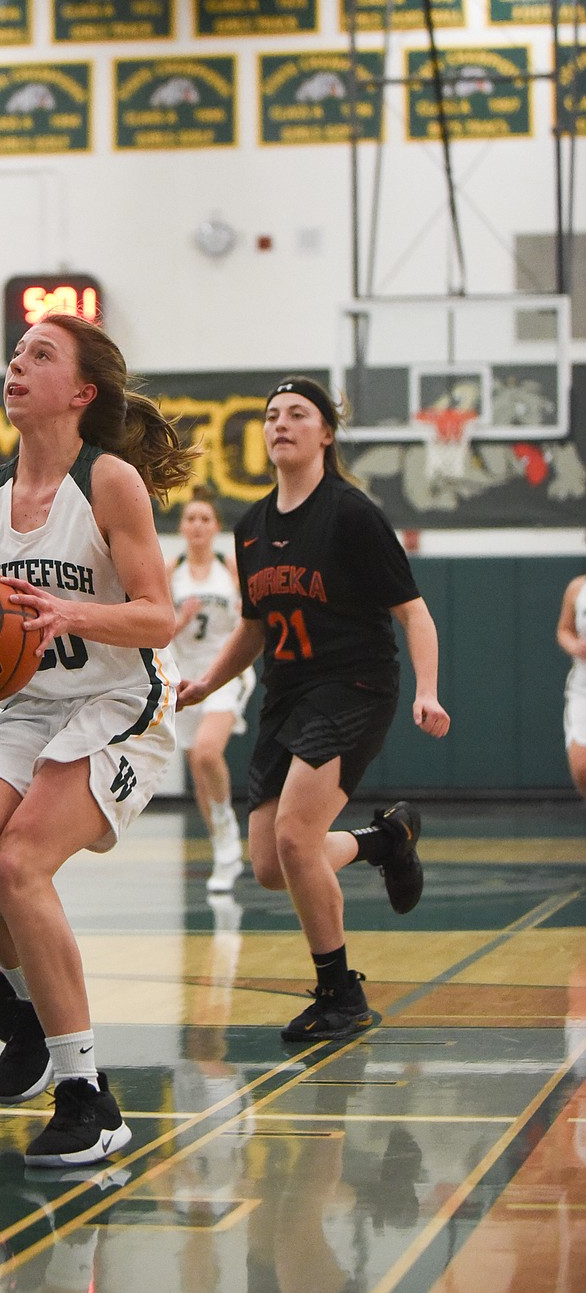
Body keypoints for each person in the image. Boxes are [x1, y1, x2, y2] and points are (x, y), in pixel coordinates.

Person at [0, 312, 197, 1167]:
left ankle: (91, 1096)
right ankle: (22, 1003)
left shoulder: (110, 481)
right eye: (15, 353)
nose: (17, 363)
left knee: (17, 865)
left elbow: (157, 616)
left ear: (80, 392)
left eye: (38, 355)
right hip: (34, 703)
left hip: (120, 697)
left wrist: (68, 612)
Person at [177, 377, 449, 1044]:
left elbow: (413, 613)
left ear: (325, 432)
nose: (281, 424)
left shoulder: (351, 514)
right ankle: (386, 841)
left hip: (355, 685)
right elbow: (252, 628)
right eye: (271, 415)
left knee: (297, 838)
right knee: (271, 865)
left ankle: (340, 994)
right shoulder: (250, 526)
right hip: (287, 694)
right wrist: (209, 683)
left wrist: (427, 690)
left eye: (297, 414)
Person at [169, 488, 256, 893]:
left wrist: (244, 612)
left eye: (205, 519)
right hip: (184, 678)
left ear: (216, 527)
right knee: (199, 771)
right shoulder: (171, 570)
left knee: (207, 751)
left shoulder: (231, 567)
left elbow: (252, 619)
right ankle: (222, 845)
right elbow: (155, 631)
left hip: (224, 673)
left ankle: (228, 838)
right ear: (183, 527)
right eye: (191, 519)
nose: (198, 525)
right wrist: (179, 622)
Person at [556, 571, 586, 804]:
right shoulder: (577, 588)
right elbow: (564, 629)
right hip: (582, 688)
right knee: (581, 765)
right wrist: (576, 646)